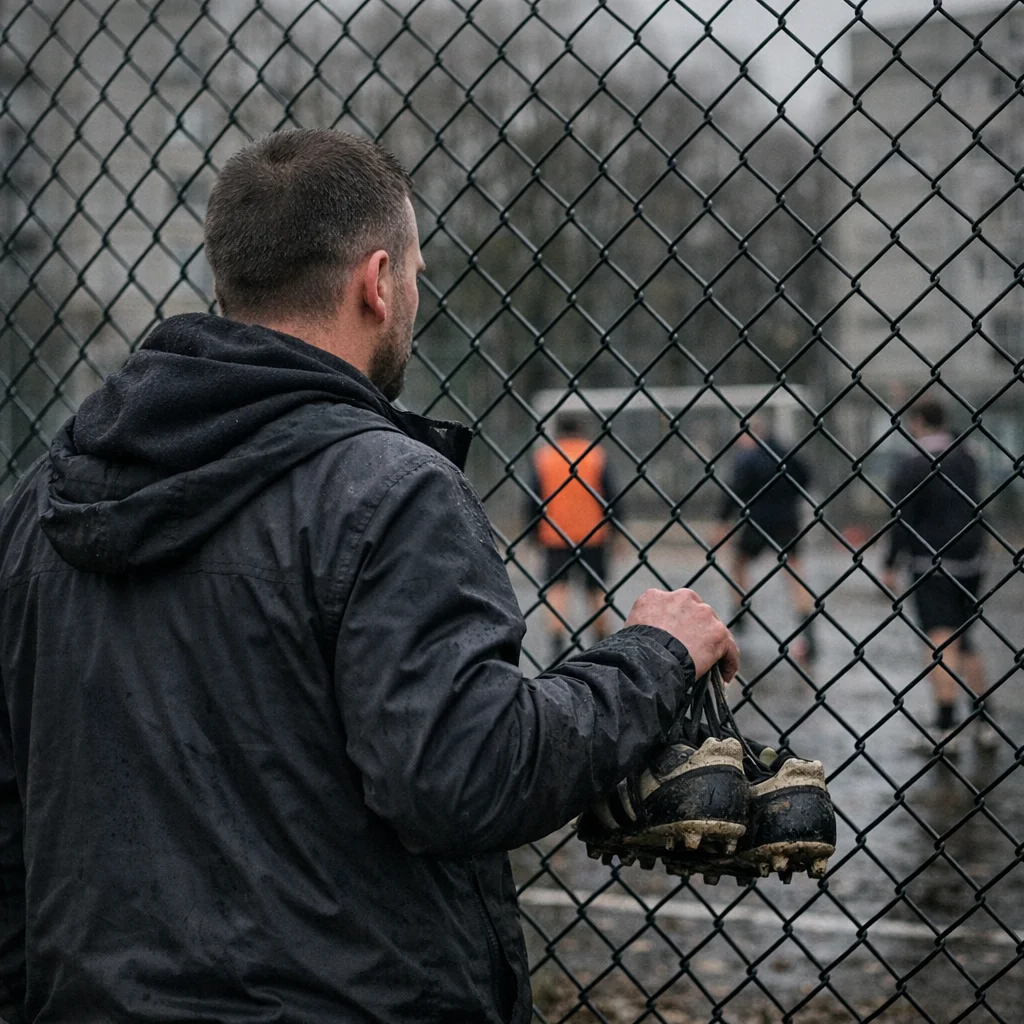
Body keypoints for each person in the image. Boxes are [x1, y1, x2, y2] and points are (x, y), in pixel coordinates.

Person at [0, 128, 739, 1024]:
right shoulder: (389, 490)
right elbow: (464, 775)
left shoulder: (44, 496)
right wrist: (654, 657)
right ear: (378, 282)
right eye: (417, 269)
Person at [881, 396, 995, 752]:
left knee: (940, 639)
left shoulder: (912, 465)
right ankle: (985, 721)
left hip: (931, 562)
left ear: (917, 421)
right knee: (966, 638)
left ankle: (946, 728)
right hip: (972, 560)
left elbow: (902, 522)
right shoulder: (968, 457)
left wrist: (889, 563)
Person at [715, 417, 817, 664]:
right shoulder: (785, 451)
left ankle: (740, 612)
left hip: (757, 520)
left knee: (739, 564)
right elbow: (806, 477)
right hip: (786, 520)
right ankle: (808, 630)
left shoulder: (748, 457)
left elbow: (735, 489)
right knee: (794, 572)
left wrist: (722, 520)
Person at [525, 412, 622, 661]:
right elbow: (611, 495)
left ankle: (557, 644)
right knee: (596, 590)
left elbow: (532, 498)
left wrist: (533, 533)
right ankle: (601, 640)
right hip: (593, 533)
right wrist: (616, 529)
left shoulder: (544, 457)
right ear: (581, 429)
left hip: (554, 534)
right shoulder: (596, 455)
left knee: (557, 589)